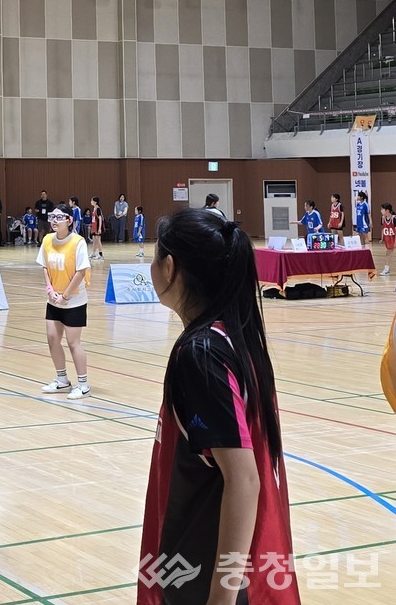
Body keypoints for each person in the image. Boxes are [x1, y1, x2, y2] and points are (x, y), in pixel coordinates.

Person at [139, 208, 299, 605]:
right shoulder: (229, 337)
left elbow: (244, 480)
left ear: (171, 268)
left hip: (202, 569)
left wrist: (221, 597)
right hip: (201, 560)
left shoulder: (201, 353)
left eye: (155, 257)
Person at [38, 204, 92, 399]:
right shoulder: (47, 240)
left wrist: (66, 295)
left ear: (69, 221)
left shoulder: (77, 242)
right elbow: (44, 266)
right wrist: (50, 290)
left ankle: (83, 384)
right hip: (53, 299)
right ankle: (62, 380)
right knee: (52, 339)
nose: (54, 221)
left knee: (73, 342)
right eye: (52, 217)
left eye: (59, 218)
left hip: (74, 300)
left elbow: (81, 271)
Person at [381, 203, 395, 276]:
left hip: (393, 238)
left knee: (388, 254)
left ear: (387, 210)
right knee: (388, 253)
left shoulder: (394, 218)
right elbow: (383, 229)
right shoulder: (383, 218)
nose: (381, 211)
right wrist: (382, 238)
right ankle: (387, 269)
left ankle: (386, 269)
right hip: (388, 238)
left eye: (382, 209)